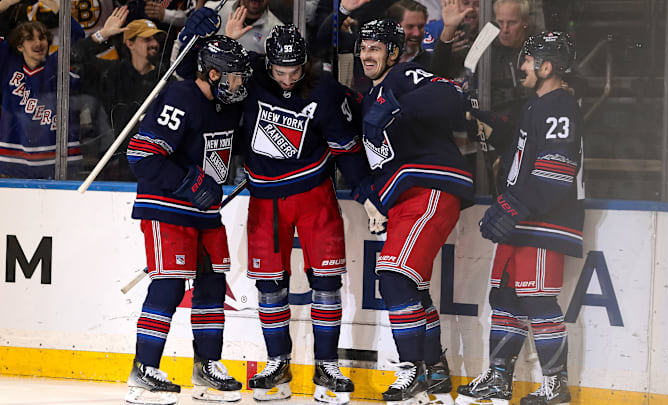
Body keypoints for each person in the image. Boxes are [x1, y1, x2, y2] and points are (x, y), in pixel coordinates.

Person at [188, 10, 366, 403]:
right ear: (267, 63)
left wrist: (369, 197)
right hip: (265, 199)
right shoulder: (248, 74)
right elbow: (199, 76)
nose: (287, 78)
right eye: (280, 71)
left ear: (306, 63)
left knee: (326, 281)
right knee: (269, 285)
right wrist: (209, 38)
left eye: (295, 70)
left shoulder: (326, 92)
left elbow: (349, 152)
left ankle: (326, 366)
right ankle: (278, 364)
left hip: (314, 195)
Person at [455, 31, 582, 405]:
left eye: (527, 61)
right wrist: (472, 111)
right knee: (506, 296)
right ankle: (497, 378)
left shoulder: (560, 106)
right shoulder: (535, 106)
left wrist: (512, 205)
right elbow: (511, 136)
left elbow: (556, 173)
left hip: (544, 221)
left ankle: (556, 385)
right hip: (524, 219)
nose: (521, 67)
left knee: (538, 300)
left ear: (546, 67)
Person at [123, 35, 252, 405]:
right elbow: (142, 155)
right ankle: (143, 372)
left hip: (205, 211)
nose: (239, 84)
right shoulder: (181, 98)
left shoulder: (227, 105)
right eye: (233, 77)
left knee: (212, 286)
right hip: (167, 207)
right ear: (212, 74)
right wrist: (192, 182)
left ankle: (207, 367)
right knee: (169, 287)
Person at [356, 19, 474, 405]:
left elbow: (451, 95)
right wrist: (371, 196)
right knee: (412, 287)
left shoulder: (404, 75)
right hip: (407, 197)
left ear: (392, 52)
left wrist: (398, 106)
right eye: (363, 47)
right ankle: (435, 369)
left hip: (432, 188)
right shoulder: (367, 97)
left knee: (391, 277)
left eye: (375, 48)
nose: (366, 55)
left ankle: (412, 372)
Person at [71, 7, 168, 180]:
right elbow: (73, 57)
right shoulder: (110, 74)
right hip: (113, 165)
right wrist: (102, 34)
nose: (154, 43)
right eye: (147, 39)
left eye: (156, 38)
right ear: (130, 43)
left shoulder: (166, 79)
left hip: (154, 165)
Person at [0, 19, 82, 178]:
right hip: (12, 162)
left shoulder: (57, 63)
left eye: (42, 37)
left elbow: (77, 37)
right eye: (30, 38)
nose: (38, 43)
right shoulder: (8, 65)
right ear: (19, 46)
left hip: (57, 163)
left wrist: (59, 8)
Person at [385, 0, 432, 68]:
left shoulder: (430, 64)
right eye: (410, 27)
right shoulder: (373, 58)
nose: (417, 33)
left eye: (420, 27)